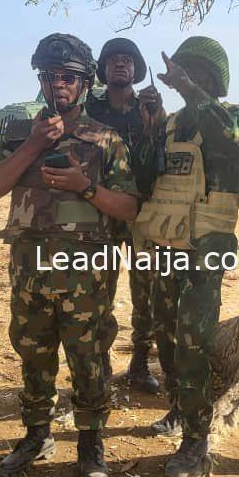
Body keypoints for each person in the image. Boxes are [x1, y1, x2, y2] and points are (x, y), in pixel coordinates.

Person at [0, 33, 139, 477]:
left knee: (89, 360)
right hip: (30, 274)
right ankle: (36, 435)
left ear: (85, 83)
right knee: (34, 356)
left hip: (86, 281)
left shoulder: (105, 140)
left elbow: (128, 207)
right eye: (50, 76)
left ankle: (91, 443)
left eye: (68, 77)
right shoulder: (20, 136)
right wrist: (32, 146)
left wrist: (84, 186)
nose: (59, 85)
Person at [133, 36, 239, 477]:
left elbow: (231, 139)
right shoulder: (172, 123)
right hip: (165, 246)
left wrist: (191, 92)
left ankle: (196, 440)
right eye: (184, 72)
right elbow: (149, 177)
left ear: (213, 80)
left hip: (204, 251)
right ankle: (180, 410)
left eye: (198, 74)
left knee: (193, 342)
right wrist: (148, 127)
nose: (188, 80)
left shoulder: (229, 116)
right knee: (165, 335)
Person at [85, 38, 166, 393]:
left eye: (128, 60)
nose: (120, 64)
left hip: (142, 211)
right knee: (99, 288)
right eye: (113, 60)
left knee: (144, 291)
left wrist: (154, 123)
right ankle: (101, 361)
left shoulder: (148, 106)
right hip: (101, 209)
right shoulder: (89, 108)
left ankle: (138, 363)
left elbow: (162, 153)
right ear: (102, 69)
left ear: (136, 70)